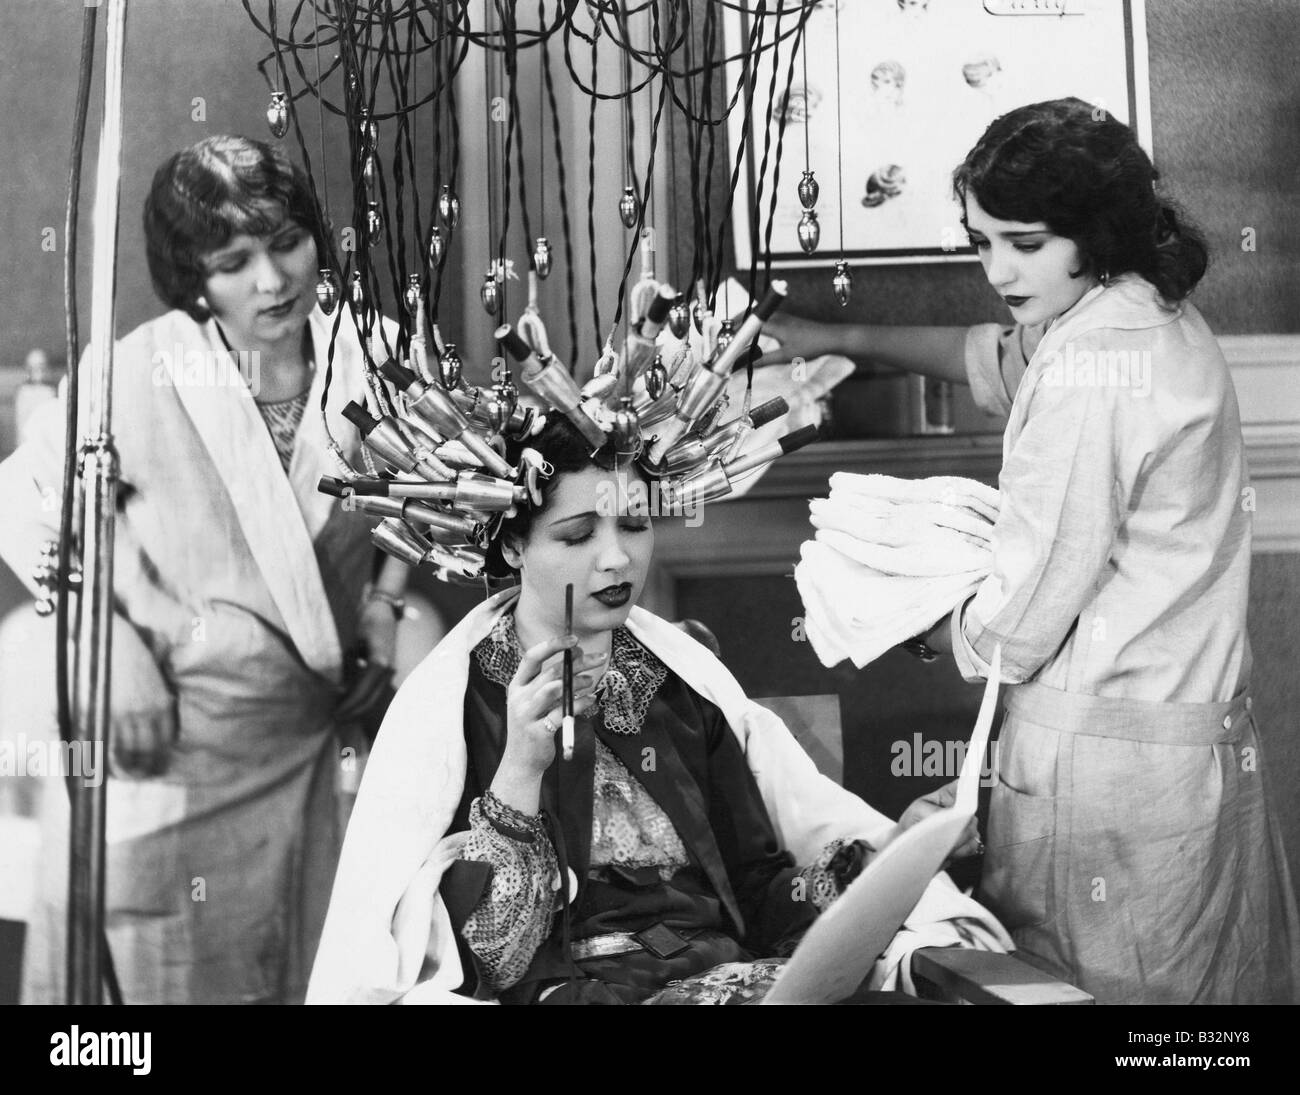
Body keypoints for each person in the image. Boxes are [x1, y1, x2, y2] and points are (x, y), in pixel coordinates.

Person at [766, 98, 1300, 1004]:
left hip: (1109, 782)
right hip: (1182, 758)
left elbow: (1013, 627)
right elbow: (999, 358)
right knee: (1194, 1037)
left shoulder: (1092, 364)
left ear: (1093, 232)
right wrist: (833, 336)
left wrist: (911, 618)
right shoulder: (1145, 314)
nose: (997, 270)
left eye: (1024, 242)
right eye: (980, 242)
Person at [307, 415, 1011, 1005]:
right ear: (513, 543)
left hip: (727, 977)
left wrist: (878, 865)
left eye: (635, 525)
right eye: (578, 534)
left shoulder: (680, 685)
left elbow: (758, 890)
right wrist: (522, 766)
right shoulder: (462, 702)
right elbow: (495, 963)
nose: (617, 559)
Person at [0, 135, 408, 1003]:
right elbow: (23, 503)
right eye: (235, 261)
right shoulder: (135, 372)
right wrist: (107, 639)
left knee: (315, 972)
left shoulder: (371, 353)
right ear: (194, 278)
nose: (273, 279)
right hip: (173, 750)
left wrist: (385, 603)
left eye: (288, 242)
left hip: (312, 742)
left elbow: (416, 493)